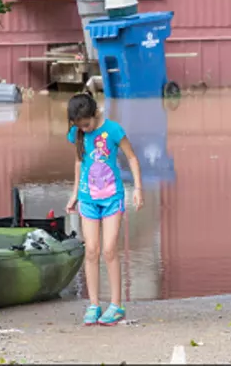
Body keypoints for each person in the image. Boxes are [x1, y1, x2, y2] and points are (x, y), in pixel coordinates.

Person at [65, 92, 143, 326]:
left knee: (109, 249)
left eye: (87, 124)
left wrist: (138, 188)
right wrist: (75, 194)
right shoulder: (77, 133)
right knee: (91, 250)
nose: (85, 129)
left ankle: (117, 305)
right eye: (80, 126)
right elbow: (79, 161)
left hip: (112, 199)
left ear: (95, 114)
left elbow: (132, 158)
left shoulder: (113, 130)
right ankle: (93, 304)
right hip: (88, 200)